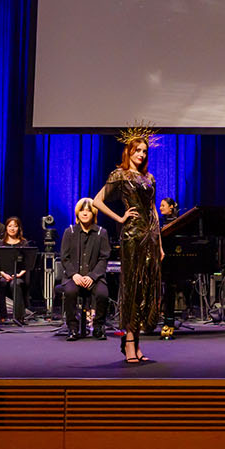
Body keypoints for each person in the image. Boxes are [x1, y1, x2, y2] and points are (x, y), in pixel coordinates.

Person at [93, 126, 163, 364]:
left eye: (144, 151)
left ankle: (136, 341)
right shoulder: (120, 175)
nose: (141, 154)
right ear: (129, 152)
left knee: (146, 289)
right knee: (132, 288)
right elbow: (97, 201)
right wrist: (120, 218)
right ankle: (130, 341)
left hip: (150, 238)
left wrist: (160, 244)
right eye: (138, 150)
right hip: (132, 236)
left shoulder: (149, 178)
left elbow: (153, 211)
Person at [58, 198, 114, 339]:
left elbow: (104, 258)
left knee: (102, 294)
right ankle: (72, 328)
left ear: (93, 213)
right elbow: (64, 257)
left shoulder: (101, 233)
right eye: (82, 210)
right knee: (70, 292)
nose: (84, 213)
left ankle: (98, 326)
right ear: (77, 213)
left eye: (88, 211)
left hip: (95, 277)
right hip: (73, 276)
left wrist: (92, 276)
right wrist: (74, 274)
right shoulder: (69, 232)